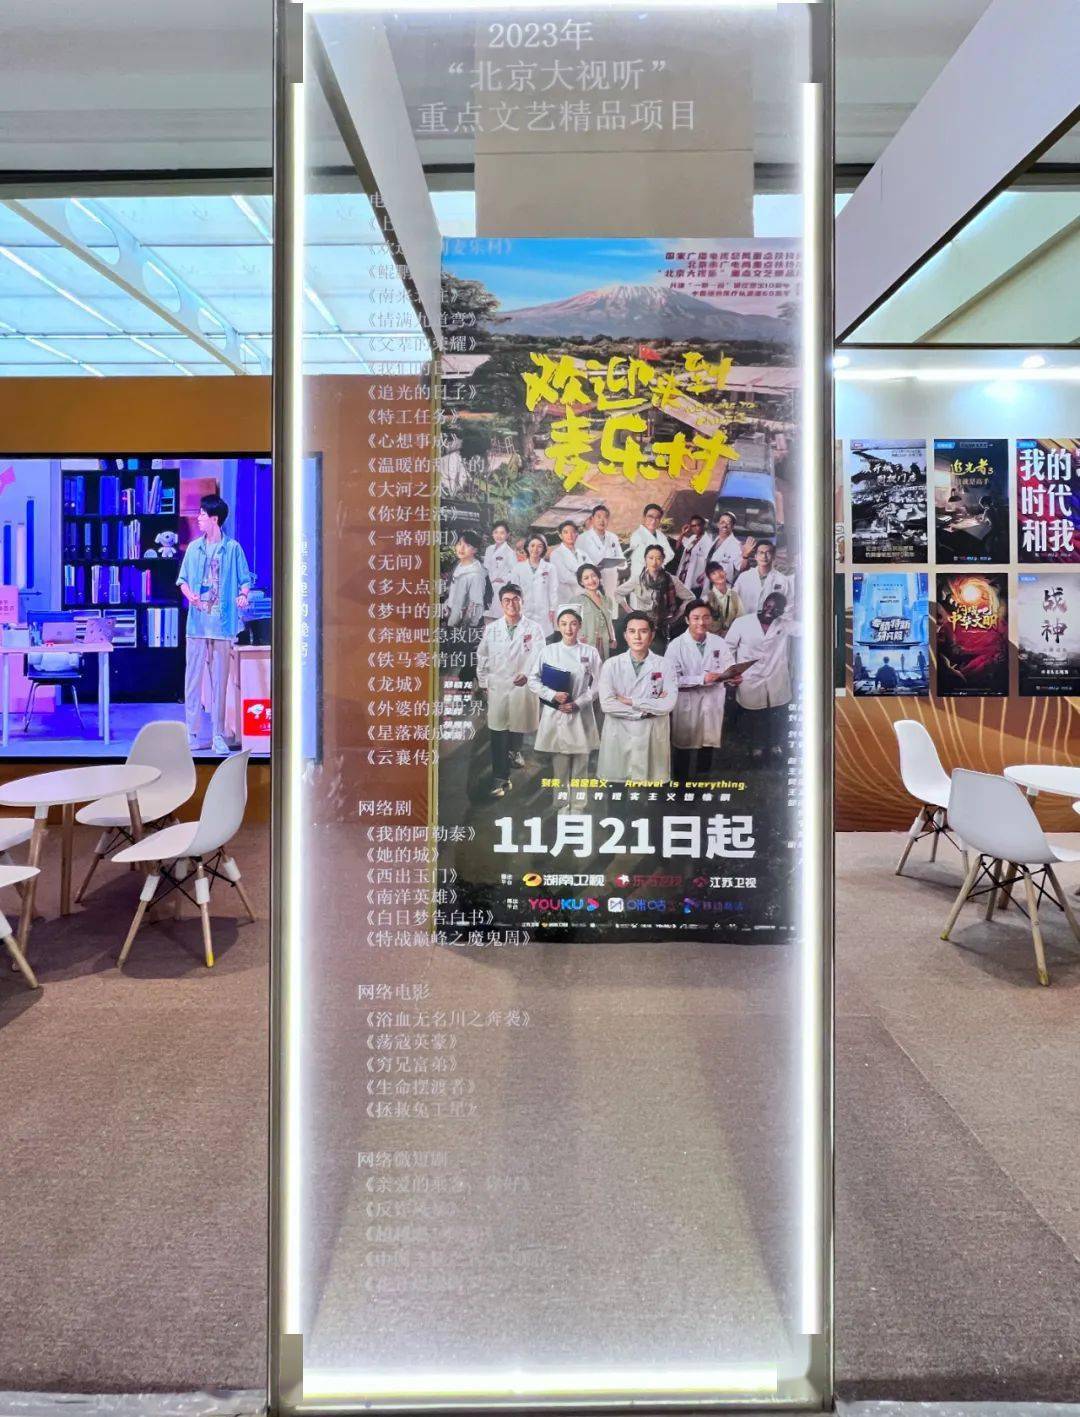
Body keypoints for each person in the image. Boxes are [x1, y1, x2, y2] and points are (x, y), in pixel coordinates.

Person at [177, 493, 251, 754]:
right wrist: (191, 596)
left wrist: (243, 595)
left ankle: (218, 735)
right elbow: (183, 581)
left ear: (214, 519)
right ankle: (192, 733)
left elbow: (245, 580)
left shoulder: (233, 549)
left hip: (222, 625)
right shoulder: (193, 548)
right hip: (197, 625)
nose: (198, 518)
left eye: (202, 514)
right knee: (193, 680)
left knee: (219, 683)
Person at [528, 605, 602, 805]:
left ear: (580, 626)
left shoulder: (590, 652)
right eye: (563, 624)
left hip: (580, 713)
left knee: (581, 764)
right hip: (556, 712)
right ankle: (560, 803)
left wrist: (579, 703)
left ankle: (578, 804)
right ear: (558, 626)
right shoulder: (548, 651)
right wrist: (553, 695)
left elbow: (600, 683)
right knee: (560, 765)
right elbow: (533, 680)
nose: (568, 628)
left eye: (573, 624)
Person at [476, 585, 544, 797]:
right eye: (506, 600)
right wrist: (483, 682)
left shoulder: (534, 629)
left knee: (518, 722)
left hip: (523, 684)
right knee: (498, 730)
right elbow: (483, 655)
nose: (511, 603)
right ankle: (500, 778)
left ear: (522, 601)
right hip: (498, 685)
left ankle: (515, 751)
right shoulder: (492, 629)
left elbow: (540, 655)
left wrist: (528, 674)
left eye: (515, 599)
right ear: (501, 603)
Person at [597, 612, 679, 783]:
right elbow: (607, 704)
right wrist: (644, 711)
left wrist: (631, 701)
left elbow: (668, 703)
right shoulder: (611, 665)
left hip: (651, 735)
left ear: (652, 635)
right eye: (632, 631)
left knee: (646, 789)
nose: (637, 637)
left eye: (643, 631)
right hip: (619, 735)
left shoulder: (665, 665)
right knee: (616, 788)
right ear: (625, 635)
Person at [666, 600, 742, 781]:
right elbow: (670, 680)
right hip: (687, 704)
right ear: (687, 620)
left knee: (707, 748)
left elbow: (729, 667)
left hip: (713, 701)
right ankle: (681, 788)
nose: (701, 622)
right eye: (696, 618)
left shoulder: (719, 642)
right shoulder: (676, 646)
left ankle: (701, 787)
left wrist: (733, 678)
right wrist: (701, 679)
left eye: (706, 617)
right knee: (683, 750)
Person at [725, 591, 799, 763]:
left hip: (776, 676)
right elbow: (727, 648)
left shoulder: (783, 624)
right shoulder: (742, 623)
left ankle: (775, 745)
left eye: (776, 610)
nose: (769, 612)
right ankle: (756, 747)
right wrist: (733, 672)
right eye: (768, 606)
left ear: (781, 612)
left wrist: (793, 611)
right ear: (764, 603)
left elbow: (807, 629)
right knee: (754, 716)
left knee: (776, 714)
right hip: (750, 677)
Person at [616, 544, 694, 648]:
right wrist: (630, 611)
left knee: (659, 652)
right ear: (645, 559)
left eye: (658, 558)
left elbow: (690, 597)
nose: (654, 562)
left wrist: (677, 615)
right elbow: (618, 593)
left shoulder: (672, 580)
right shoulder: (638, 579)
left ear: (663, 560)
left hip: (662, 626)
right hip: (642, 625)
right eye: (651, 558)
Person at [444, 529, 490, 682]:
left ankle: (472, 687)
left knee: (464, 661)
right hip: (454, 619)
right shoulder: (458, 565)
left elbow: (476, 605)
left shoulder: (476, 573)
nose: (461, 548)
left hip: (467, 625)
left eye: (467, 545)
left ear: (475, 549)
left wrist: (465, 626)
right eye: (459, 543)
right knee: (460, 661)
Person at [682, 510, 750, 594]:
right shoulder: (715, 540)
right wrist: (704, 574)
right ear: (718, 524)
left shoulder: (736, 545)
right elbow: (711, 561)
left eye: (728, 523)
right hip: (707, 586)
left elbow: (742, 568)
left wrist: (745, 556)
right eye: (722, 522)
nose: (725, 525)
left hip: (722, 589)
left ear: (733, 526)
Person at [577, 503, 625, 602]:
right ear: (592, 519)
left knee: (611, 606)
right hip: (591, 581)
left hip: (610, 579)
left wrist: (619, 562)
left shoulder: (613, 537)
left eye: (605, 517)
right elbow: (578, 563)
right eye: (598, 517)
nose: (602, 520)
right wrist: (593, 568)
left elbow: (622, 560)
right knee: (593, 606)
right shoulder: (582, 538)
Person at [733, 540, 792, 615]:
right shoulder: (743, 577)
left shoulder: (783, 580)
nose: (764, 556)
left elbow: (789, 606)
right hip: (746, 619)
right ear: (755, 556)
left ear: (773, 556)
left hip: (772, 621)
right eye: (761, 553)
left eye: (768, 552)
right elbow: (732, 602)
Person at [573, 562, 618, 659]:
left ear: (598, 577)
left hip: (604, 645)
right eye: (586, 578)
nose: (591, 580)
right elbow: (570, 623)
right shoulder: (577, 601)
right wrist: (578, 637)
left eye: (593, 576)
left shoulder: (607, 600)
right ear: (581, 582)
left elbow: (609, 622)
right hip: (586, 645)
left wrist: (613, 637)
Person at [517, 533, 559, 631]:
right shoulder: (518, 568)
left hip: (544, 611)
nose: (535, 549)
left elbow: (553, 590)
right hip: (524, 610)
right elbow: (515, 592)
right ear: (527, 547)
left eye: (539, 546)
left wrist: (552, 609)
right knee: (525, 636)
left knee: (543, 636)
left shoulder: (550, 568)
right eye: (532, 545)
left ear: (544, 549)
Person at [626, 502, 676, 580]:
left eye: (657, 518)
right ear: (644, 517)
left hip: (658, 576)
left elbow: (670, 554)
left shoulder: (660, 535)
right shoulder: (637, 535)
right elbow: (642, 558)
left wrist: (658, 562)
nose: (653, 521)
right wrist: (659, 559)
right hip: (640, 576)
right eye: (650, 517)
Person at [482, 519, 518, 620]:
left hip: (500, 586)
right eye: (496, 532)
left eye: (502, 533)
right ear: (492, 534)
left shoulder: (509, 552)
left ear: (507, 535)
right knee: (487, 616)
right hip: (488, 585)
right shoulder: (489, 549)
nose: (499, 535)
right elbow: (486, 567)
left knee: (499, 615)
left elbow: (515, 572)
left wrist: (503, 579)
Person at [702, 560, 744, 636]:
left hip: (731, 636)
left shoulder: (735, 596)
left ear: (725, 572)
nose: (718, 575)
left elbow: (740, 618)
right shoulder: (706, 600)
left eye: (720, 571)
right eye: (713, 573)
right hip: (710, 637)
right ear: (710, 578)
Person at [550, 518, 587, 603]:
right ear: (560, 535)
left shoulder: (582, 553)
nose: (570, 535)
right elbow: (565, 577)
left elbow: (592, 568)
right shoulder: (556, 554)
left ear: (577, 534)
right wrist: (586, 581)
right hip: (567, 596)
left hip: (585, 594)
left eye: (573, 532)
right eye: (566, 532)